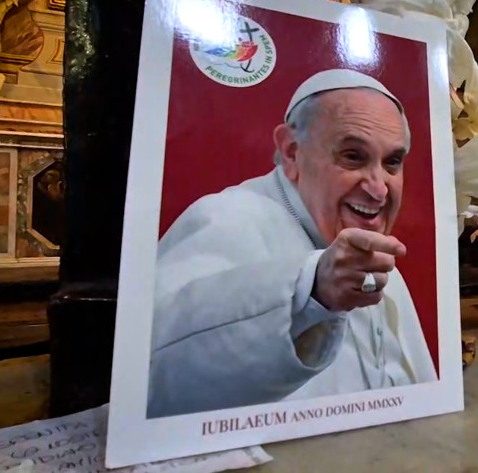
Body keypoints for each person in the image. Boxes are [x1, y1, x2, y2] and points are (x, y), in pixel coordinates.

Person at [146, 69, 437, 418]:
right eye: (353, 156)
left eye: (392, 162)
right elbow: (156, 375)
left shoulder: (369, 243)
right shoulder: (224, 219)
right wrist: (311, 292)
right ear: (291, 152)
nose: (378, 189)